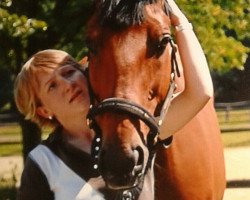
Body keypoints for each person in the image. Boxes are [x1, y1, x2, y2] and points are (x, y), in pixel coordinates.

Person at [14, 1, 213, 199]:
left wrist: (179, 21)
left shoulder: (136, 131)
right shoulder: (42, 163)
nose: (67, 85)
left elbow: (200, 92)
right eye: (52, 86)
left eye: (68, 73)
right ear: (43, 111)